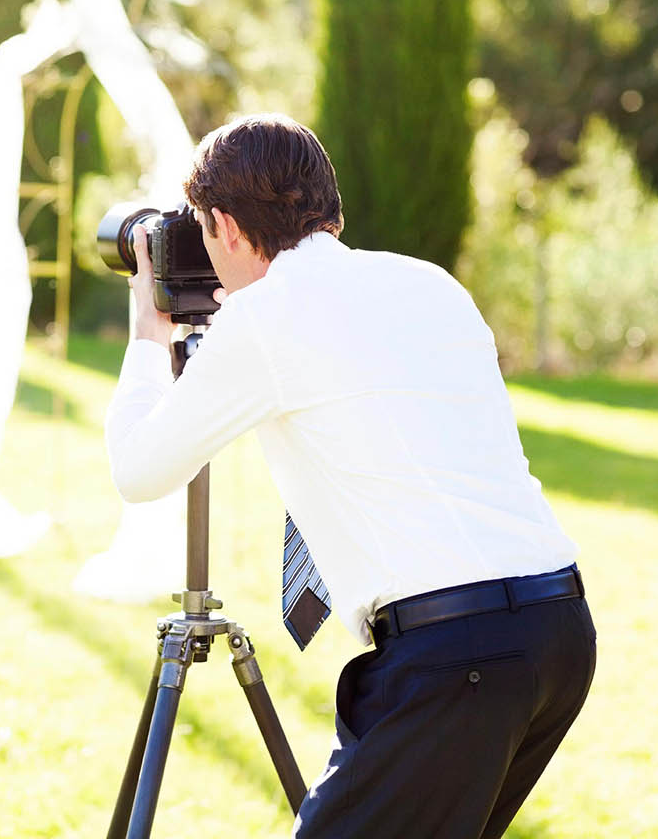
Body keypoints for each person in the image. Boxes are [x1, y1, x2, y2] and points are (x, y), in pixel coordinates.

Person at [104, 114, 596, 839]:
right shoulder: (429, 284)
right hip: (558, 631)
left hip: (456, 655)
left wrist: (149, 337)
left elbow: (139, 471)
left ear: (229, 230)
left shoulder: (267, 318)